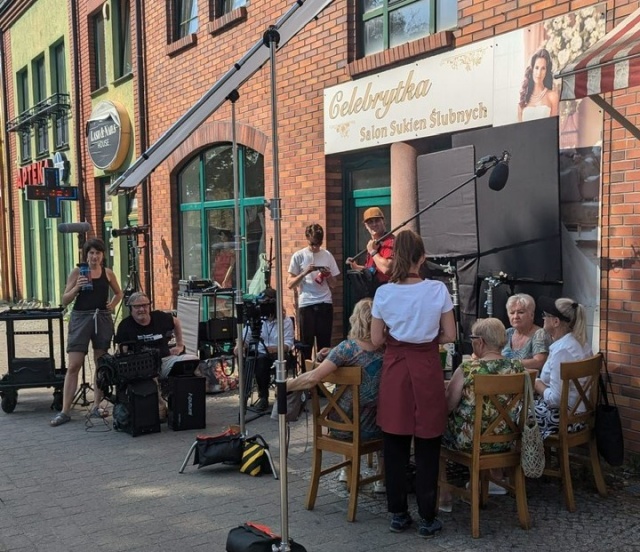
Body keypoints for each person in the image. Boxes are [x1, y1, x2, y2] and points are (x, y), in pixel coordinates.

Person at [371, 229, 456, 539]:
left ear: (395, 257)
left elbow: (376, 338)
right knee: (428, 442)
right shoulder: (437, 290)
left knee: (394, 442)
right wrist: (426, 338)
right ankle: (428, 517)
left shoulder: (384, 293)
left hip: (395, 367)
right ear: (422, 258)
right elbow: (450, 334)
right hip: (427, 365)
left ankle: (398, 514)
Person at [286, 298, 385, 490]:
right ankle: (382, 479)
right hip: (377, 428)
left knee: (346, 405)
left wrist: (287, 385)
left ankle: (347, 471)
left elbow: (313, 378)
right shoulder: (388, 349)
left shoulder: (346, 349)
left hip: (341, 428)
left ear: (355, 320)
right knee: (381, 412)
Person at [441, 318, 526, 507]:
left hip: (471, 441)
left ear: (480, 342)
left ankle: (444, 493)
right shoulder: (517, 368)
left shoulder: (468, 368)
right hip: (508, 440)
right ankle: (483, 484)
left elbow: (448, 405)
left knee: (434, 433)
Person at [50, 238, 123, 427]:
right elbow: (65, 300)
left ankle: (97, 405)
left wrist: (112, 305)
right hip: (81, 317)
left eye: (98, 253)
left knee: (101, 363)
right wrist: (77, 287)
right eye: (91, 253)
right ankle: (65, 411)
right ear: (86, 255)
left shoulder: (107, 273)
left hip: (101, 318)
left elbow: (119, 293)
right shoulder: (77, 272)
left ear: (103, 255)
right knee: (74, 364)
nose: (94, 256)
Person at [115, 292, 201, 418]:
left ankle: (189, 405)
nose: (141, 309)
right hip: (142, 366)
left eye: (145, 305)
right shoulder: (125, 326)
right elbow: (122, 351)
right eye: (137, 306)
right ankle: (160, 406)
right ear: (130, 308)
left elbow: (176, 322)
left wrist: (179, 345)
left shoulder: (160, 317)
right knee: (149, 371)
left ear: (149, 306)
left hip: (165, 360)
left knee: (192, 360)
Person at [534, 296, 592, 438]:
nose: (543, 319)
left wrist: (536, 384)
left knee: (514, 412)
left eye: (545, 316)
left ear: (556, 321)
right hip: (580, 412)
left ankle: (525, 458)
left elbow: (555, 399)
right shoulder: (580, 342)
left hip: (565, 418)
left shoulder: (562, 350)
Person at [236, 288, 294, 411]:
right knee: (256, 360)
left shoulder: (285, 321)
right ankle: (255, 396)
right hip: (259, 354)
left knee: (265, 360)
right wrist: (239, 346)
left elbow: (288, 344)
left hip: (278, 354)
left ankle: (272, 396)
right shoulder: (257, 319)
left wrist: (273, 349)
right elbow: (245, 338)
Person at [287, 223, 340, 359]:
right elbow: (290, 284)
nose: (316, 247)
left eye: (318, 243)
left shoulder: (327, 255)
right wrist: (305, 272)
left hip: (324, 302)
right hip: (307, 303)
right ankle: (307, 375)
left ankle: (322, 377)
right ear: (307, 239)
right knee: (306, 345)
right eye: (313, 244)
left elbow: (334, 285)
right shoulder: (299, 256)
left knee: (324, 345)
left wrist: (327, 275)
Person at [346, 207, 395, 287]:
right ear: (366, 226)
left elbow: (387, 269)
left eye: (377, 221)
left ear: (384, 221)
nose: (374, 224)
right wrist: (356, 267)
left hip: (388, 290)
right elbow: (372, 270)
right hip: (374, 290)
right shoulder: (372, 244)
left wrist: (373, 252)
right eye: (370, 222)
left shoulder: (390, 241)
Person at [502, 293, 549, 371]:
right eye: (512, 313)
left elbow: (539, 362)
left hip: (530, 380)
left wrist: (508, 364)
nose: (515, 316)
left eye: (521, 312)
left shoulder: (539, 333)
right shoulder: (508, 332)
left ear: (532, 315)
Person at [517, 48, 559, 122]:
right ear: (532, 69)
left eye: (543, 68)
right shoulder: (522, 100)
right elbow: (519, 131)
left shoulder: (553, 96)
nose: (539, 73)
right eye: (536, 68)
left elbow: (553, 129)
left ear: (546, 71)